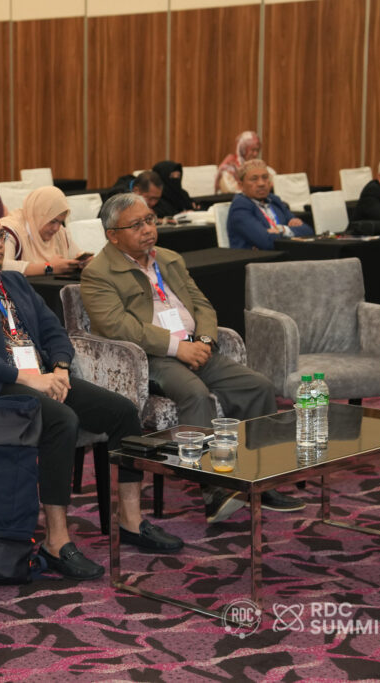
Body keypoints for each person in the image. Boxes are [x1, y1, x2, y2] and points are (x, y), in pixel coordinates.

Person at [0, 204, 185, 573]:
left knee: (123, 411)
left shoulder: (15, 282)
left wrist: (61, 367)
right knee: (61, 420)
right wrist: (25, 377)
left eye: (0, 235)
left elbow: (53, 330)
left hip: (46, 378)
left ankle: (130, 520)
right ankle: (56, 540)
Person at [81, 193, 303, 522]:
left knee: (257, 385)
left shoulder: (169, 258)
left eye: (149, 220)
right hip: (149, 358)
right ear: (113, 235)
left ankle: (259, 478)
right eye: (136, 225)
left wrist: (204, 340)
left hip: (195, 347)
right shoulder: (98, 273)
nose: (148, 229)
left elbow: (202, 305)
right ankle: (213, 488)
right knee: (196, 394)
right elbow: (118, 326)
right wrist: (177, 347)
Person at [0, 186, 91, 276]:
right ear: (39, 215)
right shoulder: (9, 231)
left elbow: (76, 255)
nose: (56, 228)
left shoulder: (60, 233)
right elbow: (2, 265)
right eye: (52, 221)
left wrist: (85, 262)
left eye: (60, 222)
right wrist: (48, 267)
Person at [227, 159, 313, 249]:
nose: (261, 183)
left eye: (265, 177)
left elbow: (308, 231)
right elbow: (266, 242)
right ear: (241, 185)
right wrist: (290, 232)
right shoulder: (240, 207)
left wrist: (282, 229)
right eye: (254, 179)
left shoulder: (274, 200)